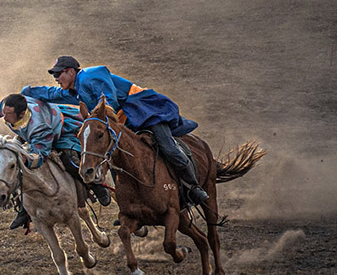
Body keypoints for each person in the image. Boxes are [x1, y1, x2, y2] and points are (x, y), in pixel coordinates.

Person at [21, 55, 209, 205]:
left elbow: (109, 100)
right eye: (54, 76)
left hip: (145, 109)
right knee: (114, 155)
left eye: (57, 75)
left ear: (70, 71)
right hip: (124, 119)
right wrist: (26, 92)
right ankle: (129, 202)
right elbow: (51, 94)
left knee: (167, 147)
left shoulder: (90, 76)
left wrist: (102, 119)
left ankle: (193, 187)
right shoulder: (73, 90)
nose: (55, 79)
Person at [0, 93, 111, 230]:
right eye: (4, 112)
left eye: (8, 114)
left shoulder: (39, 126)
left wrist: (25, 159)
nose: (4, 117)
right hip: (29, 135)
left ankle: (96, 186)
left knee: (70, 159)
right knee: (12, 167)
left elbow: (42, 155)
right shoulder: (9, 108)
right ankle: (24, 210)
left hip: (59, 131)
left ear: (21, 114)